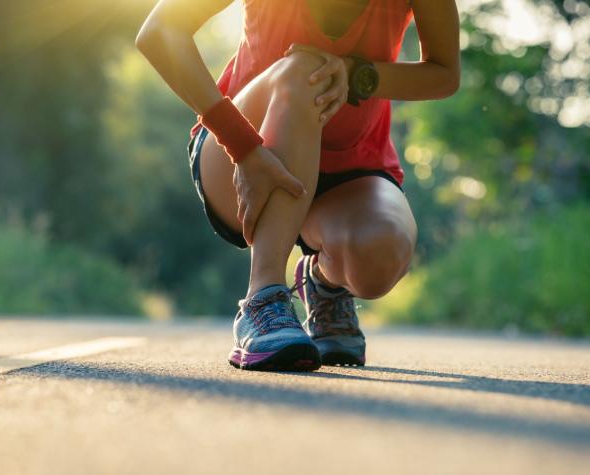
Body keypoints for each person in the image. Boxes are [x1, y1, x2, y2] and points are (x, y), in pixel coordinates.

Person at [136, 0, 459, 371]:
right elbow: (159, 31)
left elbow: (444, 73)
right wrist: (242, 145)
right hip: (243, 151)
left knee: (380, 254)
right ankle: (262, 299)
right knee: (307, 69)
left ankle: (324, 284)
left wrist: (355, 73)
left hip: (352, 165)